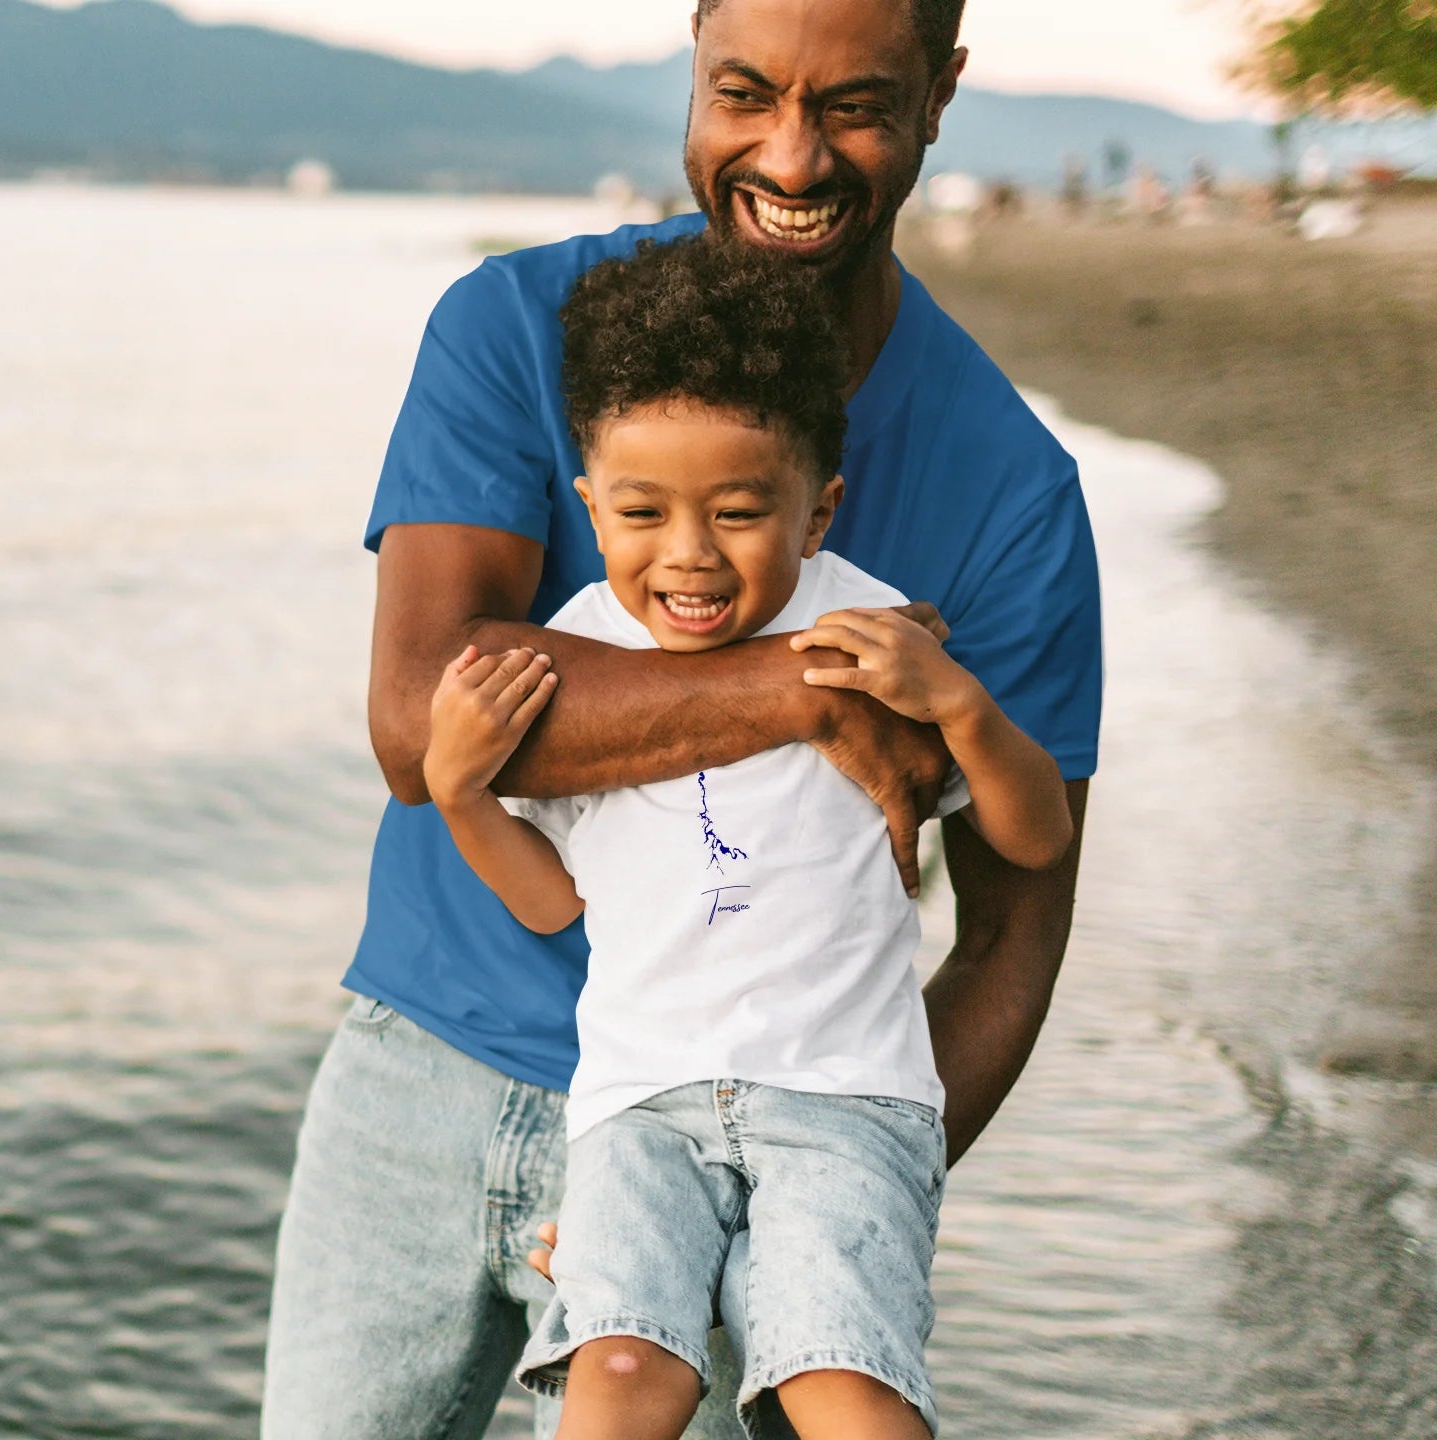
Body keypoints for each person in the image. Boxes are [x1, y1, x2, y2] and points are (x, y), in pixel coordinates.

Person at [260, 1, 1103, 1436]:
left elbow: (1017, 921)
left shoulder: (1011, 488)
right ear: (694, 69)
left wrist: (829, 1199)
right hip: (424, 1074)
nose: (790, 153)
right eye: (744, 92)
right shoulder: (514, 329)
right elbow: (420, 725)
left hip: (755, 1136)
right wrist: (801, 691)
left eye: (853, 104)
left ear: (943, 92)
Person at [422, 236, 1074, 1440]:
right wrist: (462, 796)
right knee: (618, 1378)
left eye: (737, 511)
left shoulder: (877, 637)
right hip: (642, 1106)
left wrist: (964, 709)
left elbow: (1031, 842)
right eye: (641, 512)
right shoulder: (571, 653)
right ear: (589, 506)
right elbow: (552, 903)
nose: (688, 554)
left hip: (844, 1098)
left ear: (817, 507)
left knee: (842, 1385)